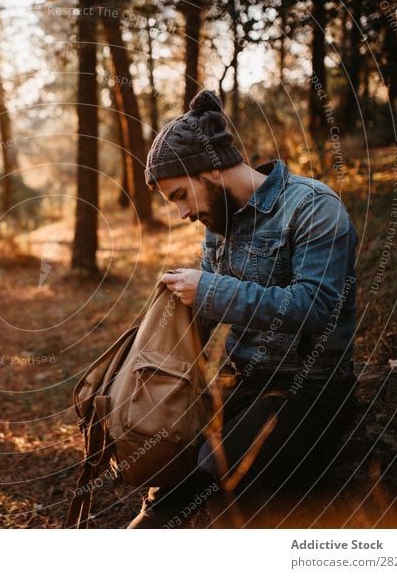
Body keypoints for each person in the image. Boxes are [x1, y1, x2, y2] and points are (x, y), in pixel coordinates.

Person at [128, 90, 359, 528]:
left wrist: (211, 289)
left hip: (309, 387)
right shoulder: (221, 220)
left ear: (212, 168)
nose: (181, 213)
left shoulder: (313, 208)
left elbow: (317, 307)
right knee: (166, 460)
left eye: (181, 194)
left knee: (216, 466)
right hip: (241, 379)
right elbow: (206, 313)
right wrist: (148, 354)